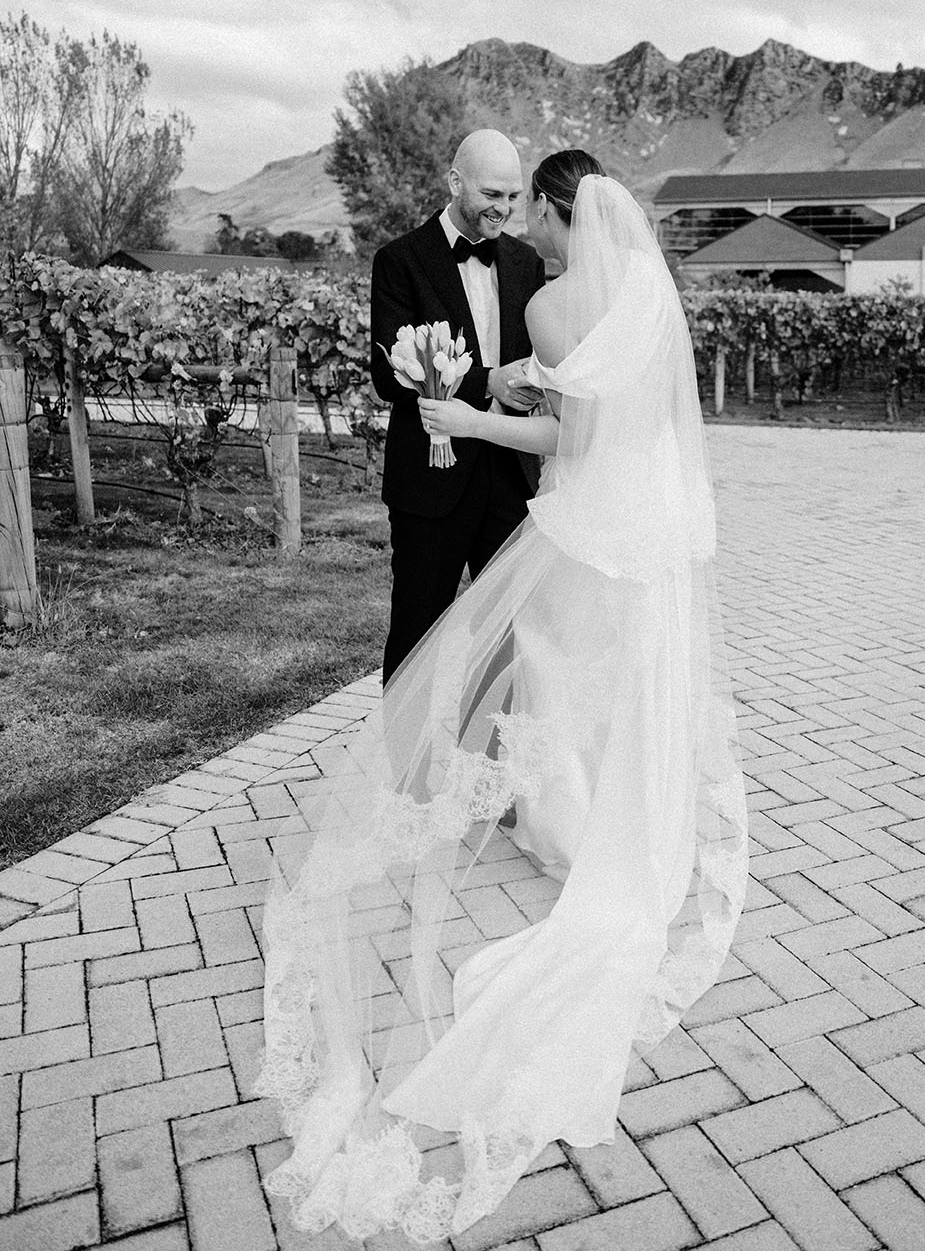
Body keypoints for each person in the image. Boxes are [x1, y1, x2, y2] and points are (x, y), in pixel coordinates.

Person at [258, 160, 748, 1245]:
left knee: (552, 676)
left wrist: (476, 418)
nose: (519, 221)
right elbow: (618, 409)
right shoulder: (646, 293)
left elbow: (564, 438)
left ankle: (565, 829)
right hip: (652, 533)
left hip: (579, 525)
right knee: (619, 693)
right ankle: (608, 825)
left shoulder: (549, 292)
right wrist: (515, 384)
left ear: (558, 214)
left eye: (530, 206)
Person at [370, 129, 546, 681]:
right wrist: (487, 383)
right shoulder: (400, 260)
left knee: (506, 638)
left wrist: (532, 384)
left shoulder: (526, 262)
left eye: (514, 197)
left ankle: (488, 766)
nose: (506, 209)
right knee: (417, 634)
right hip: (430, 480)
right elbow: (388, 375)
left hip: (510, 475)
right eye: (493, 195)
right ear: (455, 183)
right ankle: (405, 770)